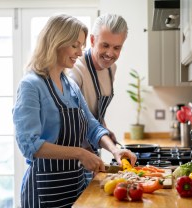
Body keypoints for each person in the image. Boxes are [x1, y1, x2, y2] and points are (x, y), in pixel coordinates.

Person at [12, 14, 136, 208]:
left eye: (81, 45)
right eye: (75, 45)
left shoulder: (70, 85)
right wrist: (79, 153)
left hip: (74, 186)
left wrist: (115, 149)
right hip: (45, 189)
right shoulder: (31, 85)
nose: (80, 52)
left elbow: (92, 126)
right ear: (56, 42)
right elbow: (29, 145)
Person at [66, 13, 128, 184]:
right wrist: (87, 150)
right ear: (92, 40)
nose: (110, 53)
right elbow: (74, 118)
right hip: (73, 154)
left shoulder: (111, 69)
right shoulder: (76, 71)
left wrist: (105, 130)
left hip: (93, 148)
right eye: (105, 45)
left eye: (117, 48)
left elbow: (95, 111)